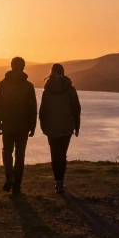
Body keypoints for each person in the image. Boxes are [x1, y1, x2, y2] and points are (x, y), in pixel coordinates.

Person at [0, 56, 37, 194]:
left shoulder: (2, 84)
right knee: (20, 154)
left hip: (7, 124)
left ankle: (9, 177)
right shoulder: (28, 86)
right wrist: (33, 125)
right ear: (23, 67)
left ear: (11, 66)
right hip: (23, 126)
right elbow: (32, 108)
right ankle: (17, 185)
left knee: (7, 151)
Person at [38, 63, 81, 194]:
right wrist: (77, 126)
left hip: (51, 126)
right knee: (62, 154)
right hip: (67, 126)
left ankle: (57, 181)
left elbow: (42, 111)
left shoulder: (47, 90)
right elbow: (76, 109)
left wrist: (43, 125)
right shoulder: (71, 89)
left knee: (54, 153)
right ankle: (60, 182)